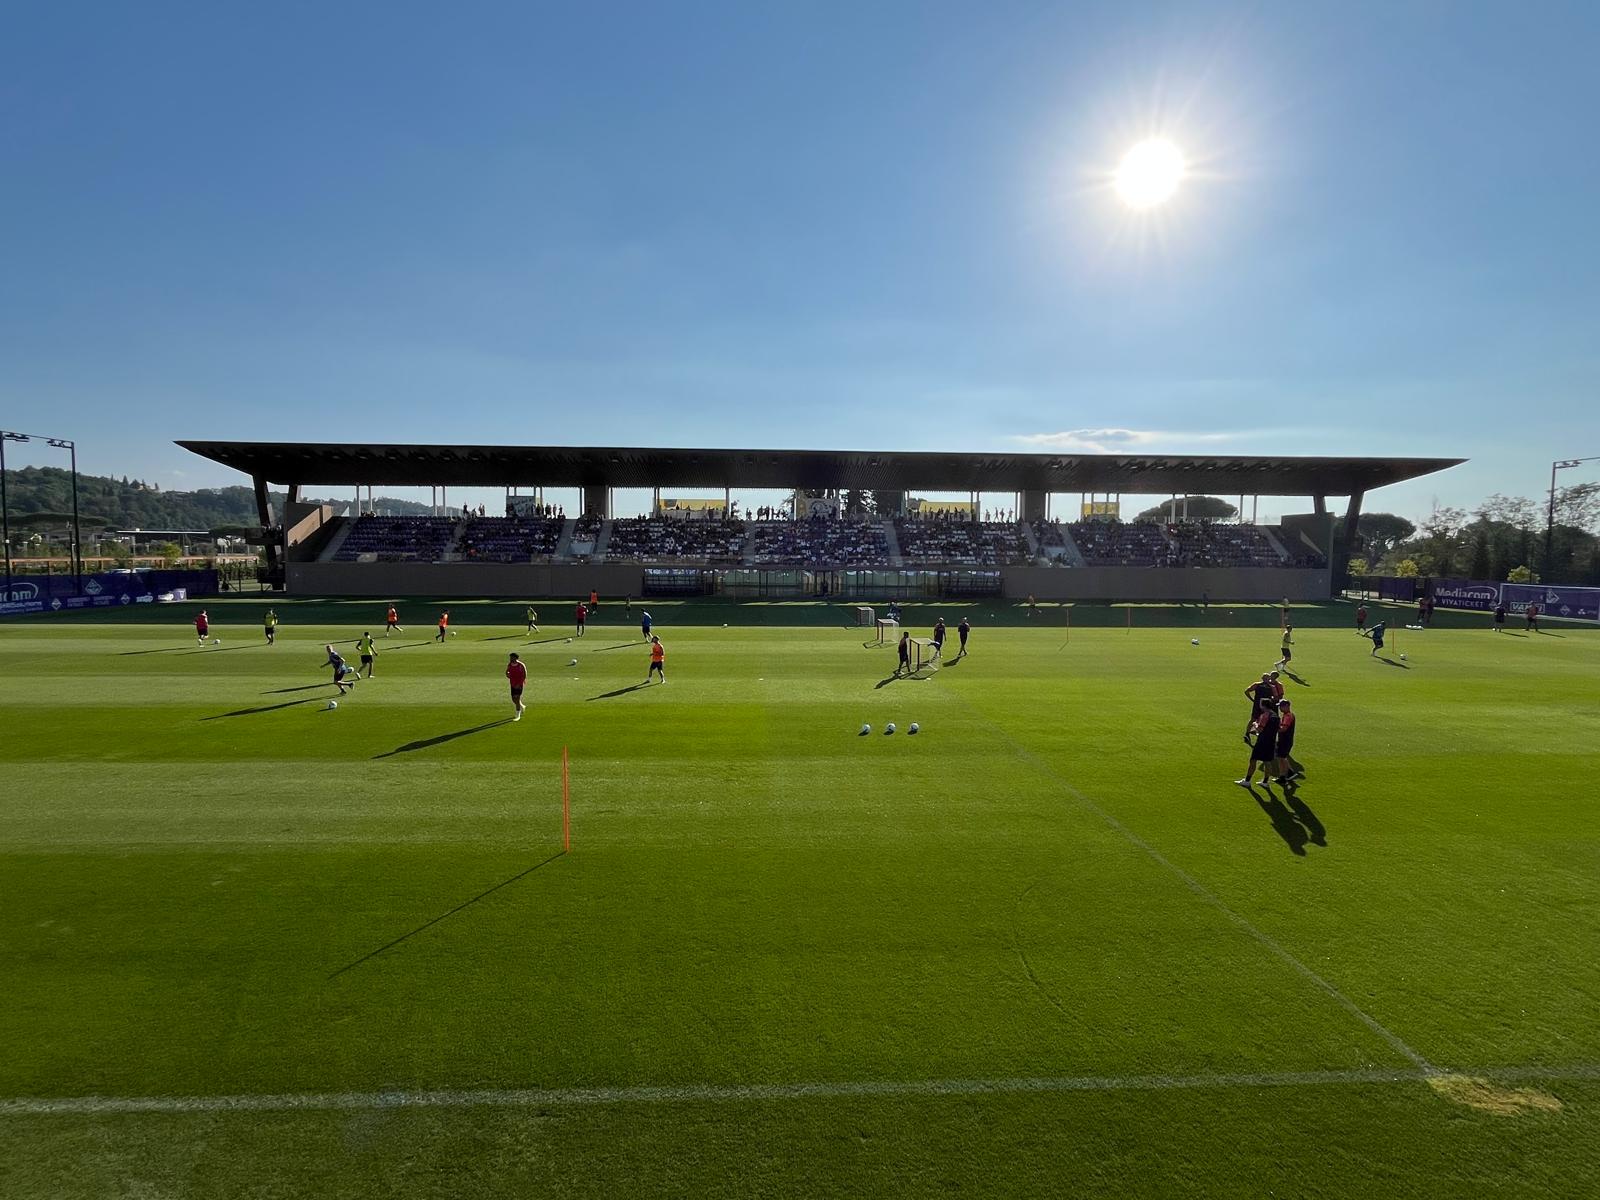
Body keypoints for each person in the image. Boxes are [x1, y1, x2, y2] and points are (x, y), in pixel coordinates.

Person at [1237, 700, 1280, 788]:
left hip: (1262, 741)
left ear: (1263, 705)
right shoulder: (1275, 716)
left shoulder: (1265, 715)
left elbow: (1259, 729)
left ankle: (1247, 781)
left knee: (1253, 760)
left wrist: (1255, 724)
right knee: (1267, 761)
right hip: (1271, 741)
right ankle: (1265, 782)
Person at [1274, 698, 1304, 783]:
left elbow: (1283, 729)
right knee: (1281, 758)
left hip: (1285, 740)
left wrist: (1273, 729)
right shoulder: (1287, 715)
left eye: (1281, 706)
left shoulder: (1288, 716)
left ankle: (1287, 774)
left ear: (1287, 706)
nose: (1280, 708)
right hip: (1284, 740)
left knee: (1281, 758)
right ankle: (1284, 775)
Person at [1244, 673, 1274, 741]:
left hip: (1258, 705)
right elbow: (1274, 696)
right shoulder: (1271, 687)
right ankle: (1250, 733)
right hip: (1266, 706)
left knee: (1254, 719)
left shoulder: (1257, 685)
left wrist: (1253, 700)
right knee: (1259, 719)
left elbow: (1247, 691)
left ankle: (1248, 733)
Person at [506, 652, 527, 721]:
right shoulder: (510, 664)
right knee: (513, 699)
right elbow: (507, 671)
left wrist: (520, 683)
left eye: (512, 657)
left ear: (515, 658)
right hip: (512, 683)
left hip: (519, 684)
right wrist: (507, 674)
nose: (510, 659)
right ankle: (522, 706)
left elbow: (524, 674)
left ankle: (518, 715)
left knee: (517, 699)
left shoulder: (521, 665)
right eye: (510, 657)